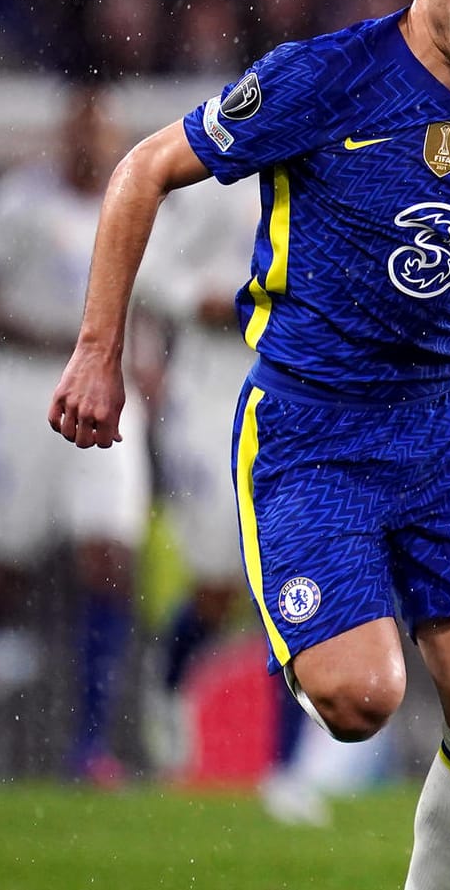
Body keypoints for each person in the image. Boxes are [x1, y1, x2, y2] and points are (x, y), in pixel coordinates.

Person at [48, 0, 450, 890]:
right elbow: (140, 171)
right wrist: (99, 351)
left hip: (446, 427)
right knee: (362, 702)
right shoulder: (324, 77)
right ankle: (312, 628)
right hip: (314, 428)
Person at [0, 82, 150, 785]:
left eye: (101, 132)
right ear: (63, 136)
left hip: (108, 391)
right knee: (2, 573)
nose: (91, 144)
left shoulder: (134, 202)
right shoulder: (20, 203)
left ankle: (90, 749)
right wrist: (56, 338)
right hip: (28, 391)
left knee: (110, 559)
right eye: (80, 131)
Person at [134, 179, 326, 824]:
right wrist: (203, 300)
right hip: (210, 395)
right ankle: (171, 669)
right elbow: (152, 269)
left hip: (297, 398)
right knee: (218, 585)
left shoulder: (329, 165)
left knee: (293, 584)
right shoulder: (218, 172)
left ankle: (287, 770)